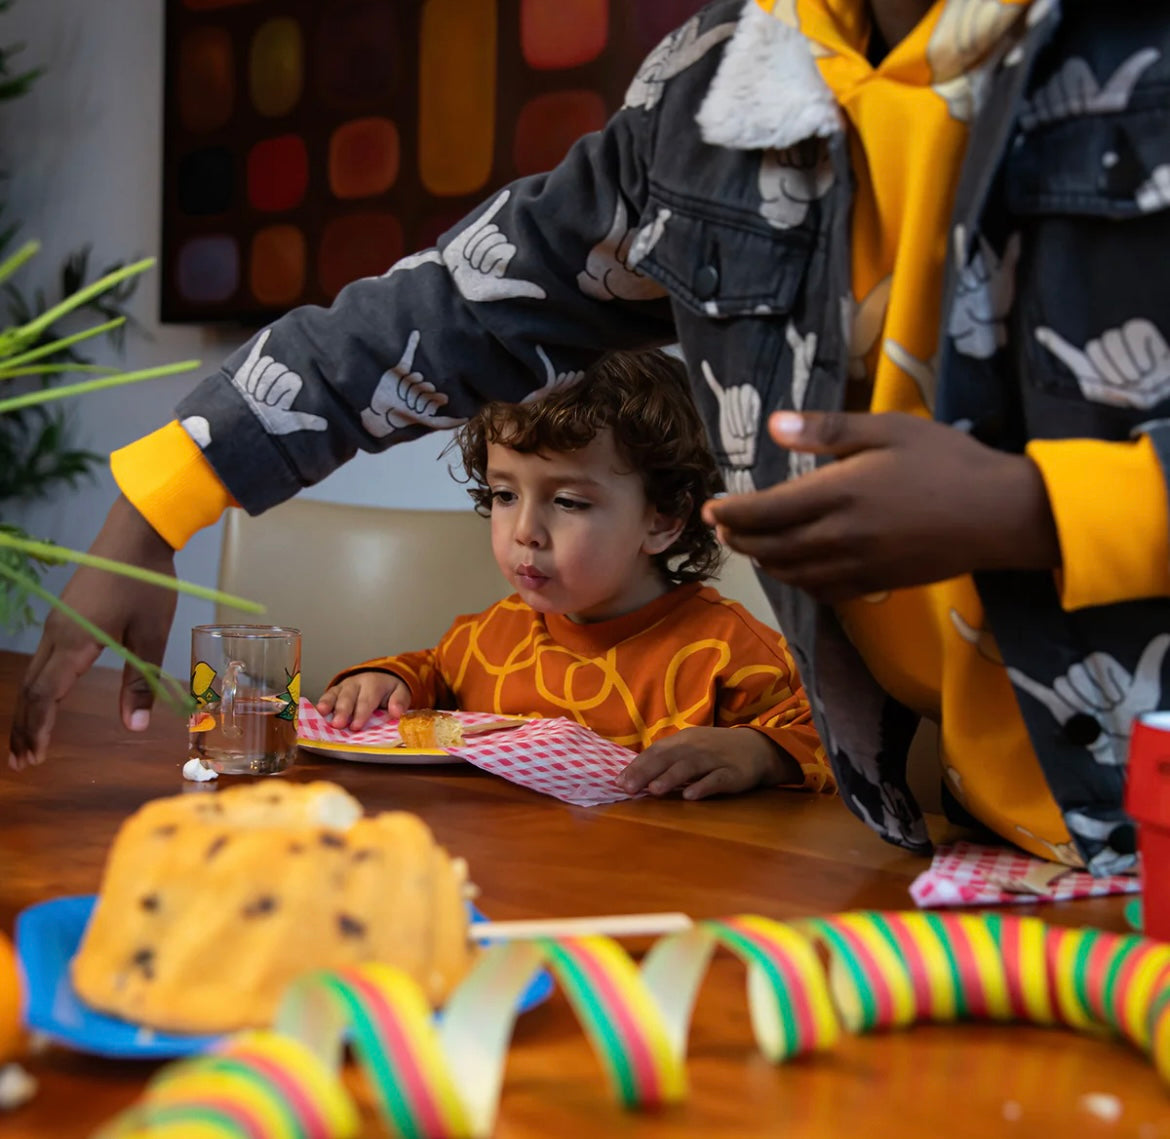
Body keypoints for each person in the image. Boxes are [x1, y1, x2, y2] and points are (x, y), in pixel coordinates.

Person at [11, 0, 1168, 876]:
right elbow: (455, 306)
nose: (527, 530)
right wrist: (163, 495)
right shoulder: (715, 82)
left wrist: (1042, 512)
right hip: (975, 846)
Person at [315, 349, 831, 800]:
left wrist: (759, 753)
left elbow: (836, 745)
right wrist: (386, 679)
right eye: (505, 495)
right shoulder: (486, 639)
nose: (525, 531)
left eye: (567, 501)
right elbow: (430, 674)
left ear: (663, 520)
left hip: (660, 888)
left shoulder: (729, 650)